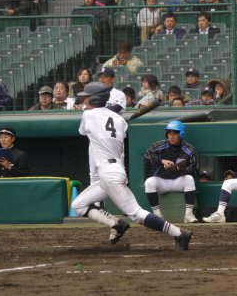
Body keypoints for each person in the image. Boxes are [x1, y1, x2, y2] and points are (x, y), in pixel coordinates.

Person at [70, 82, 193, 249]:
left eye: (87, 98)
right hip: (115, 170)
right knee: (78, 205)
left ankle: (179, 234)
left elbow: (84, 131)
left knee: (135, 213)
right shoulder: (120, 121)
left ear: (96, 99)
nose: (84, 101)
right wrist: (110, 115)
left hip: (109, 173)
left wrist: (104, 115)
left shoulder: (88, 116)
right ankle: (117, 224)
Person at [144, 121, 200, 223]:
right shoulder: (159, 145)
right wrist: (161, 161)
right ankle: (157, 216)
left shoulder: (189, 149)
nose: (172, 136)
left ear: (181, 134)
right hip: (162, 182)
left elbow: (195, 168)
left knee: (189, 179)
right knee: (149, 182)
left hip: (178, 181)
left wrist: (181, 169)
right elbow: (148, 155)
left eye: (175, 133)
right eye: (169, 133)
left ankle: (188, 215)